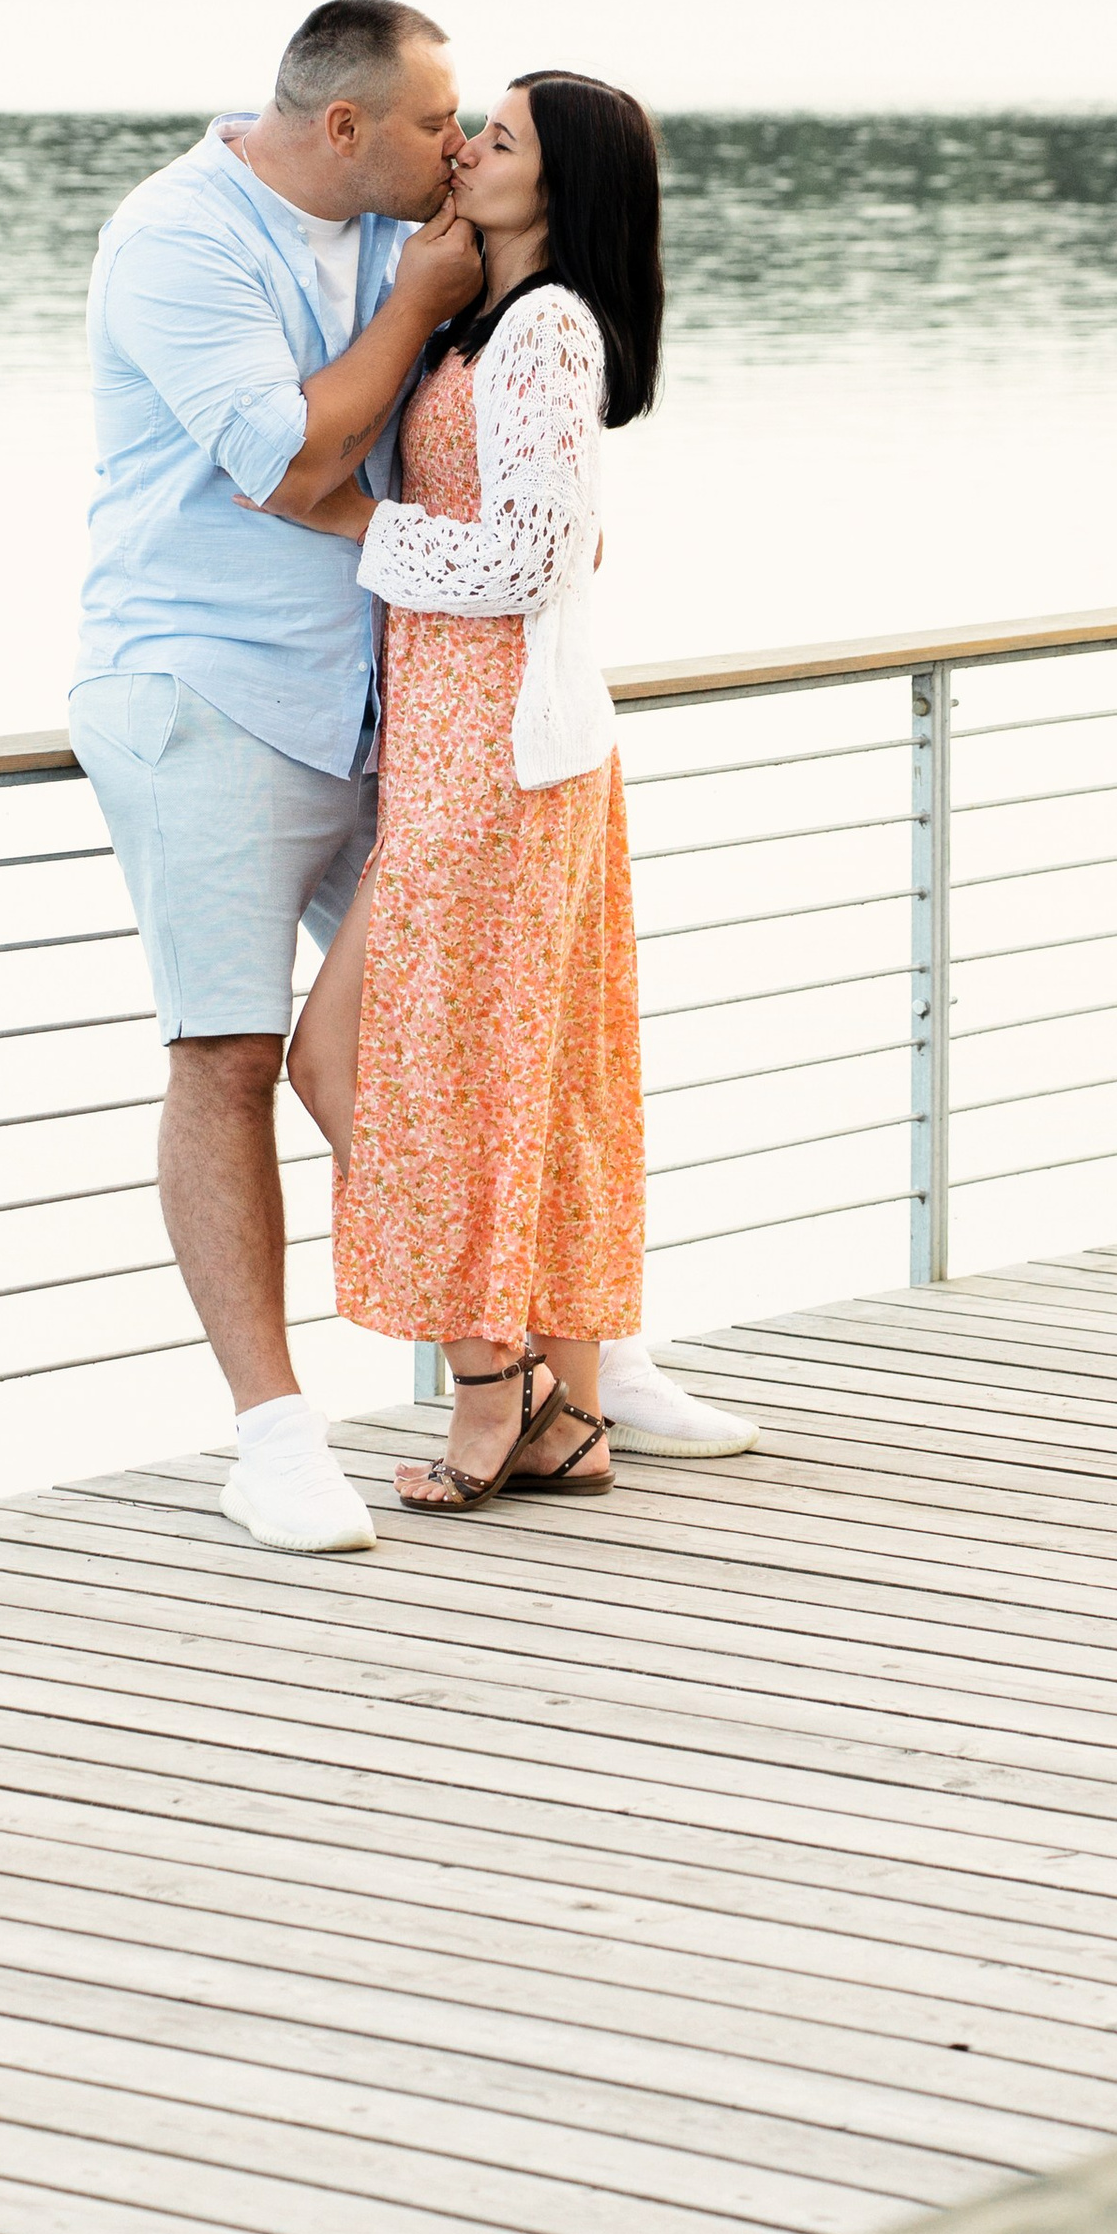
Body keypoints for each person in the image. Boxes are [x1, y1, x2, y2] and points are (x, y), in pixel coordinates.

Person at [276, 72, 743, 1509]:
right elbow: (557, 543)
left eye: (502, 138)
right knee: (507, 1079)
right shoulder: (499, 319)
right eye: (473, 125)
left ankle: (498, 1395)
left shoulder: (544, 331)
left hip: (495, 762)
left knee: (398, 1069)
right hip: (474, 750)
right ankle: (566, 1407)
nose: (468, 145)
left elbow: (529, 561)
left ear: (565, 185)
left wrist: (362, 522)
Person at [69, 0, 482, 1555]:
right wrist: (427, 291)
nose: (457, 143)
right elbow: (291, 463)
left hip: (377, 692)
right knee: (230, 1055)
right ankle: (276, 1435)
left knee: (455, 1025)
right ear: (343, 129)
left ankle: (549, 1350)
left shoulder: (401, 218)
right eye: (439, 122)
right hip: (207, 694)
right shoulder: (178, 240)